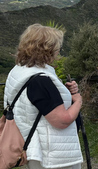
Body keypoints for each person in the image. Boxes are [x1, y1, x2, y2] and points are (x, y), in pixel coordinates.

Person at [4, 24, 83, 169]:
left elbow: (37, 101)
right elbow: (62, 120)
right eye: (57, 49)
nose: (59, 52)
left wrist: (63, 92)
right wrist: (78, 101)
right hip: (50, 155)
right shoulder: (41, 80)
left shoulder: (19, 70)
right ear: (47, 50)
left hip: (31, 145)